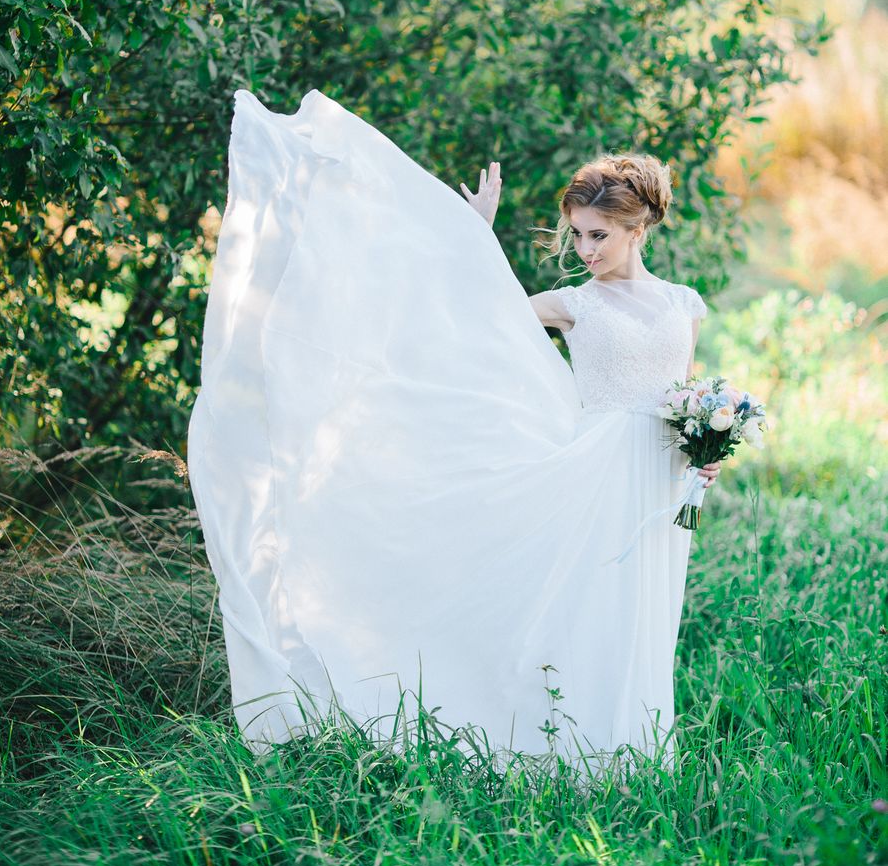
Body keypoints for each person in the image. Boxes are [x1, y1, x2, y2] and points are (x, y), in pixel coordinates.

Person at [187, 86, 721, 777]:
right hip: (593, 474)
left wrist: (706, 450)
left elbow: (684, 389)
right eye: (578, 234)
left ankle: (637, 752)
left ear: (637, 229)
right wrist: (474, 234)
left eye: (599, 235)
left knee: (647, 611)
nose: (585, 248)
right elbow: (479, 318)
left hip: (663, 482)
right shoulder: (571, 304)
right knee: (589, 608)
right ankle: (571, 747)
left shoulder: (684, 304)